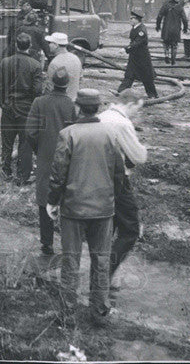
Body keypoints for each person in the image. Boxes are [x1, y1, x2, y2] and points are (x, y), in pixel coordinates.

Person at [46, 89, 125, 324]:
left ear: (78, 107)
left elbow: (58, 173)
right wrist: (112, 197)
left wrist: (52, 200)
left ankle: (68, 313)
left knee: (71, 260)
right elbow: (119, 173)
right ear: (98, 107)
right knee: (101, 259)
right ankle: (100, 311)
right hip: (103, 208)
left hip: (74, 208)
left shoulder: (68, 134)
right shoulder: (111, 134)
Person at [25, 66, 76, 255]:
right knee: (66, 199)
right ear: (67, 85)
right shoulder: (70, 105)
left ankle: (47, 243)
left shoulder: (39, 102)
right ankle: (68, 243)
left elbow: (30, 132)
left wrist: (39, 149)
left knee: (45, 198)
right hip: (66, 158)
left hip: (46, 157)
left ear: (51, 83)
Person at [100, 88, 148, 283]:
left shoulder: (102, 116)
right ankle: (106, 274)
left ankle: (101, 270)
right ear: (129, 104)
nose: (138, 113)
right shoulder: (122, 122)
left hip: (98, 178)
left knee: (107, 227)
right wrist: (143, 148)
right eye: (138, 108)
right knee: (130, 229)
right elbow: (139, 156)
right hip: (117, 180)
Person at [0, 33, 45, 184]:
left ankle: (5, 170)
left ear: (16, 45)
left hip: (9, 106)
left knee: (7, 142)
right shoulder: (35, 65)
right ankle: (23, 175)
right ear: (29, 46)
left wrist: (2, 103)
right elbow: (37, 90)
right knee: (25, 143)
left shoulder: (5, 62)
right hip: (26, 108)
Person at [117, 8, 157, 98]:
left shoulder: (141, 30)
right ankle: (121, 91)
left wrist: (126, 49)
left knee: (147, 77)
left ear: (137, 19)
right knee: (129, 75)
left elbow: (137, 43)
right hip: (134, 56)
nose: (130, 20)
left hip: (142, 57)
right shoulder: (135, 28)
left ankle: (153, 95)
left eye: (132, 18)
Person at [43, 32, 82, 99]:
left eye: (50, 43)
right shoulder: (76, 58)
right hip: (73, 100)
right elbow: (80, 78)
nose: (48, 45)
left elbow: (50, 87)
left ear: (56, 45)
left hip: (58, 102)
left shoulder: (55, 63)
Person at [155, 0, 189, 66]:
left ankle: (166, 55)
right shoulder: (180, 7)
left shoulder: (166, 5)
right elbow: (184, 19)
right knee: (174, 45)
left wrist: (158, 25)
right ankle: (173, 59)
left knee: (166, 43)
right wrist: (185, 28)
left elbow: (159, 16)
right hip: (176, 29)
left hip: (166, 28)